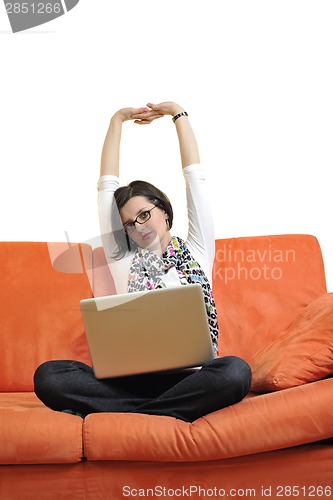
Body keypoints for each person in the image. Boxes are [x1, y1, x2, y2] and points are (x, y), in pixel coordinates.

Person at [34, 101, 251, 422]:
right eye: (128, 224)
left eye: (145, 214)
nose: (139, 226)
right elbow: (106, 187)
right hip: (128, 382)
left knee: (235, 371)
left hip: (191, 378)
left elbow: (196, 180)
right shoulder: (121, 255)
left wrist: (178, 115)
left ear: (164, 210)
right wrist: (117, 119)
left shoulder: (198, 249)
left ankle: (125, 415)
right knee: (49, 375)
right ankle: (164, 413)